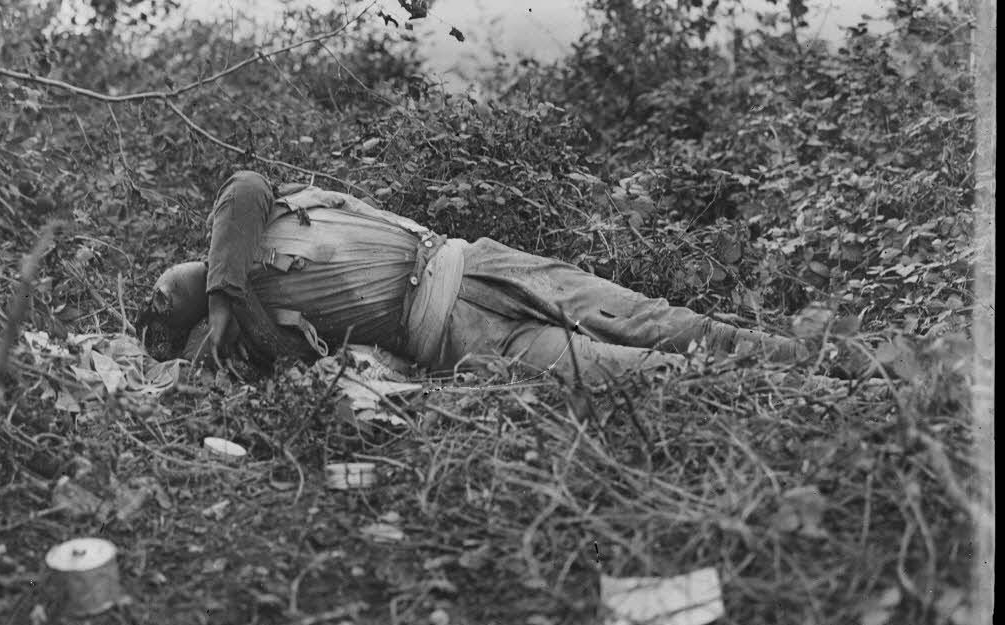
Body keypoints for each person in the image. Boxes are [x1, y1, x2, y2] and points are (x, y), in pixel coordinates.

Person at [136, 170, 827, 394]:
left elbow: (243, 186)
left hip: (478, 262)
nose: (172, 282)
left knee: (659, 321)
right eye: (169, 299)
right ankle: (816, 390)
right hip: (460, 338)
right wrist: (215, 326)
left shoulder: (244, 217)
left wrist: (224, 291)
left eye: (164, 279)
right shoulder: (247, 335)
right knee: (632, 369)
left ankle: (830, 358)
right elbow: (215, 370)